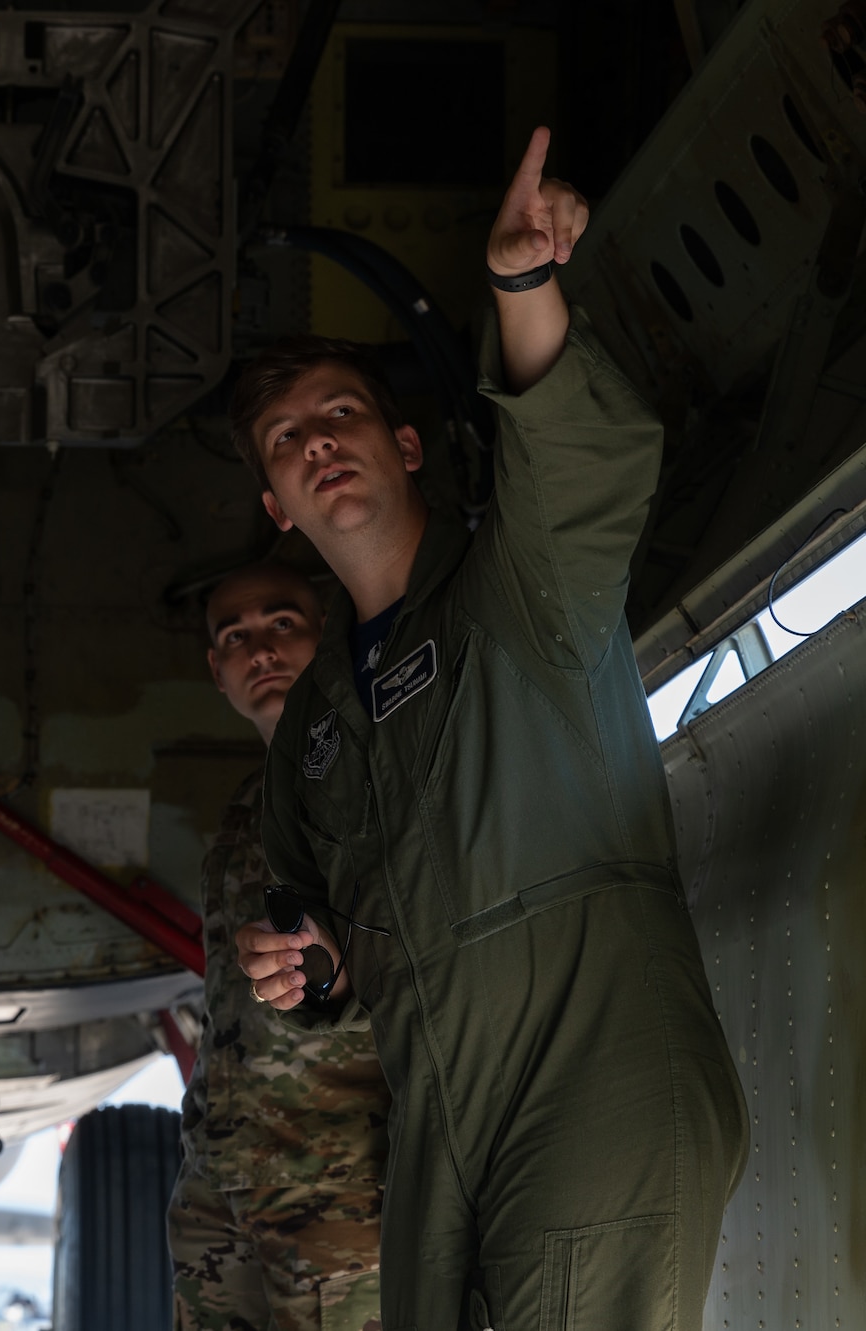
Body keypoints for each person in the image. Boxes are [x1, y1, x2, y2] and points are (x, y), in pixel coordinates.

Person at [234, 128, 746, 1328]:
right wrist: (296, 963)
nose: (318, 441)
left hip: (591, 1073)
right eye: (285, 440)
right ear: (275, 504)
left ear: (402, 445)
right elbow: (319, 937)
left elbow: (577, 462)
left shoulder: (524, 581)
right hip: (443, 1113)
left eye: (341, 413)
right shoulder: (313, 725)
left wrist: (521, 285)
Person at [166, 563, 387, 1330]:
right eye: (235, 637)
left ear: (328, 638)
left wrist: (338, 982)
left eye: (281, 623)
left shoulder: (375, 775)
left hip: (336, 1190)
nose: (259, 649)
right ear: (217, 673)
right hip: (221, 1182)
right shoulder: (247, 807)